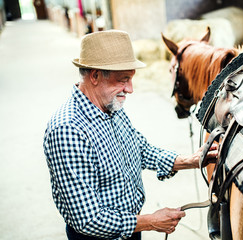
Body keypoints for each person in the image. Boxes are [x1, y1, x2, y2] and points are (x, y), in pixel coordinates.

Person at [43, 30, 217, 240]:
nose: (131, 89)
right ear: (95, 76)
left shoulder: (110, 105)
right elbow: (87, 219)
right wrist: (150, 221)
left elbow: (139, 149)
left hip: (130, 228)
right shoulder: (68, 130)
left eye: (131, 79)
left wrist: (188, 161)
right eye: (123, 80)